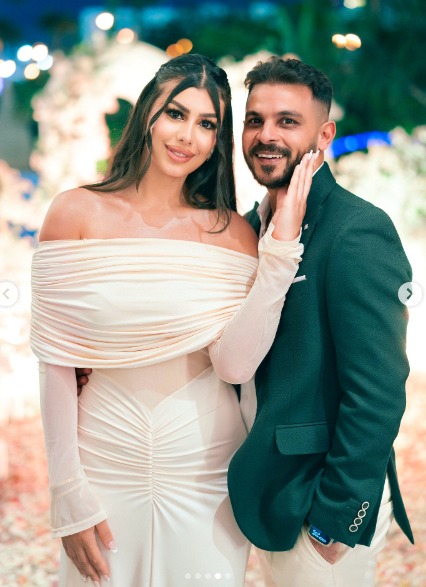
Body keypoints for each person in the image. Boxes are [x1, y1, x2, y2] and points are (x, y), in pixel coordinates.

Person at [31, 53, 318, 587]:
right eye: (176, 114)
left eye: (207, 124)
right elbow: (56, 361)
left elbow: (235, 365)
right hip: (103, 456)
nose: (187, 135)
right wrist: (66, 488)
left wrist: (279, 253)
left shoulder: (233, 233)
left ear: (217, 140)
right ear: (148, 114)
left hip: (206, 467)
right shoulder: (74, 213)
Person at [225, 57, 414, 586]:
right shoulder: (245, 230)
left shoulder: (356, 231)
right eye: (255, 120)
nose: (266, 135)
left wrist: (336, 519)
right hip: (267, 488)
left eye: (287, 121)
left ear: (324, 135)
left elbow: (378, 389)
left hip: (318, 501)